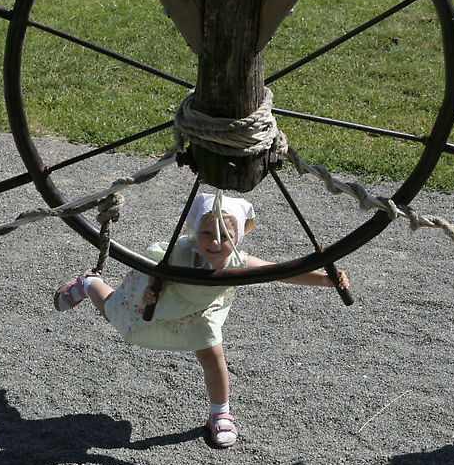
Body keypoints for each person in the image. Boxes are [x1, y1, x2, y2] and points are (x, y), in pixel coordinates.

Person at [53, 192, 349, 448]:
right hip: (167, 299)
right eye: (207, 233)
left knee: (212, 354)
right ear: (195, 233)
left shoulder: (239, 263)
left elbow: (282, 271)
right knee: (116, 315)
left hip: (200, 312)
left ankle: (220, 414)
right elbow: (158, 278)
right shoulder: (180, 253)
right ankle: (89, 284)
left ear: (238, 238)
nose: (216, 241)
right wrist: (150, 295)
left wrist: (325, 280)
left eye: (226, 235)